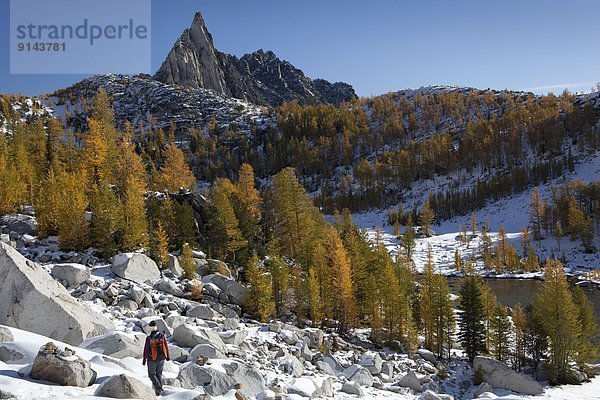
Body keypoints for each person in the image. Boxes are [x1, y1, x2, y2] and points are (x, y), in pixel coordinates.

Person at [142, 320, 170, 396]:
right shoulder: (161, 335)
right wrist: (168, 357)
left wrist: (144, 359)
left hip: (152, 359)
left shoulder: (149, 338)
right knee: (159, 374)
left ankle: (159, 388)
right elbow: (166, 347)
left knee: (152, 374)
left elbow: (146, 350)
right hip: (162, 358)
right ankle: (159, 390)